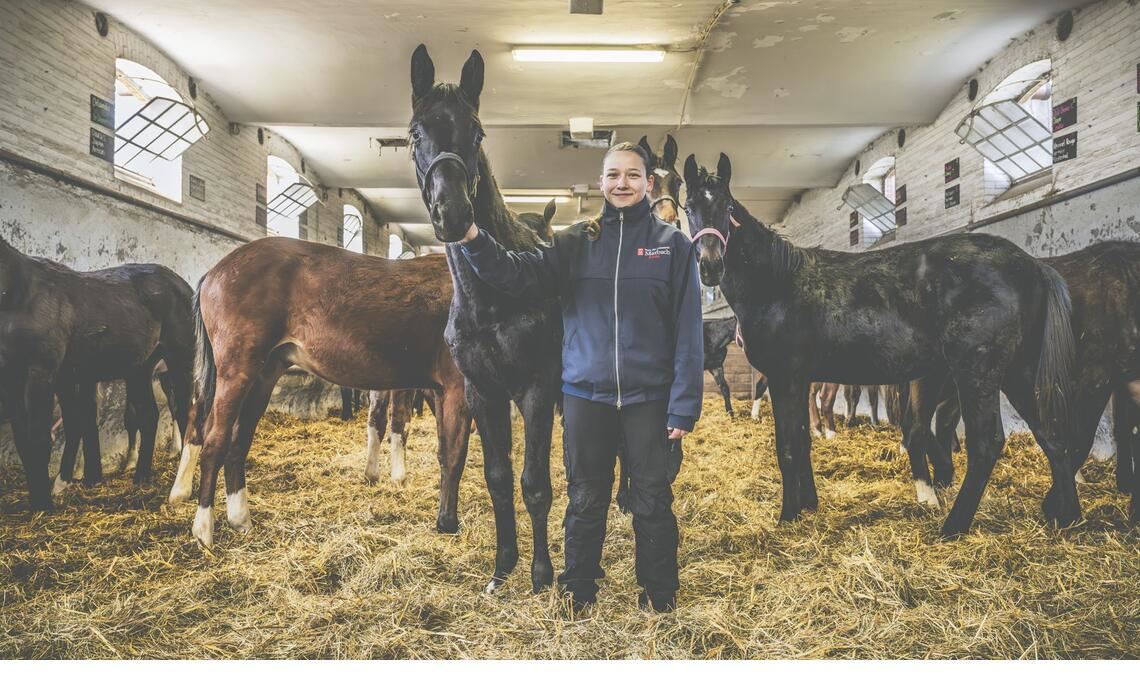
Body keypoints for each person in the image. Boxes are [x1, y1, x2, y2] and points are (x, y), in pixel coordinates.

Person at [456, 141, 704, 613]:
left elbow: (689, 331)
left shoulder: (673, 248)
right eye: (613, 175)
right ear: (601, 182)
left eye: (632, 176)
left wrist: (684, 405)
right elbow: (517, 275)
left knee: (652, 500)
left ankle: (659, 594)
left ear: (649, 184)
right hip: (585, 398)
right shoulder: (574, 243)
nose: (622, 184)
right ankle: (578, 591)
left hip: (649, 400)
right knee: (585, 500)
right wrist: (473, 239)